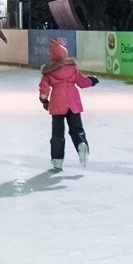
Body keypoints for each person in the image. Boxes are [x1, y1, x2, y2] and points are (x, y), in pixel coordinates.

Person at [38, 37, 99, 171]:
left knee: (58, 134)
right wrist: (92, 80)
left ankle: (57, 159)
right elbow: (82, 82)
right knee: (77, 129)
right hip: (73, 102)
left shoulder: (49, 71)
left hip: (57, 103)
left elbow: (44, 88)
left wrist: (44, 99)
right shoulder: (72, 68)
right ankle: (81, 144)